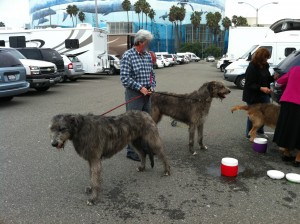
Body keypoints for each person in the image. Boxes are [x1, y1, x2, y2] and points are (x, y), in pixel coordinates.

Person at [120, 29, 156, 161]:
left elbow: (152, 74)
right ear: (140, 42)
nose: (148, 45)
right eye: (147, 42)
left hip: (147, 94)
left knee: (146, 122)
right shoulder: (128, 55)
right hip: (134, 94)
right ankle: (132, 151)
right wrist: (140, 88)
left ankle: (146, 148)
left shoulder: (147, 55)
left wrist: (152, 86)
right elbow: (124, 78)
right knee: (133, 123)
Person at [242, 47, 277, 139]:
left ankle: (260, 132)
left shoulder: (265, 66)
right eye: (265, 58)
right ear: (260, 57)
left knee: (265, 113)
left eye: (267, 58)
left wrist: (274, 77)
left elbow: (267, 78)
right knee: (254, 114)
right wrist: (261, 88)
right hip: (252, 96)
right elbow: (249, 84)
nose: (266, 60)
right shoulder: (251, 67)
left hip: (264, 95)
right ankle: (249, 134)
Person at [273, 66, 300, 166]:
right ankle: (298, 159)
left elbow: (278, 83)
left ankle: (286, 153)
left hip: (287, 102)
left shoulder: (295, 69)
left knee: (289, 126)